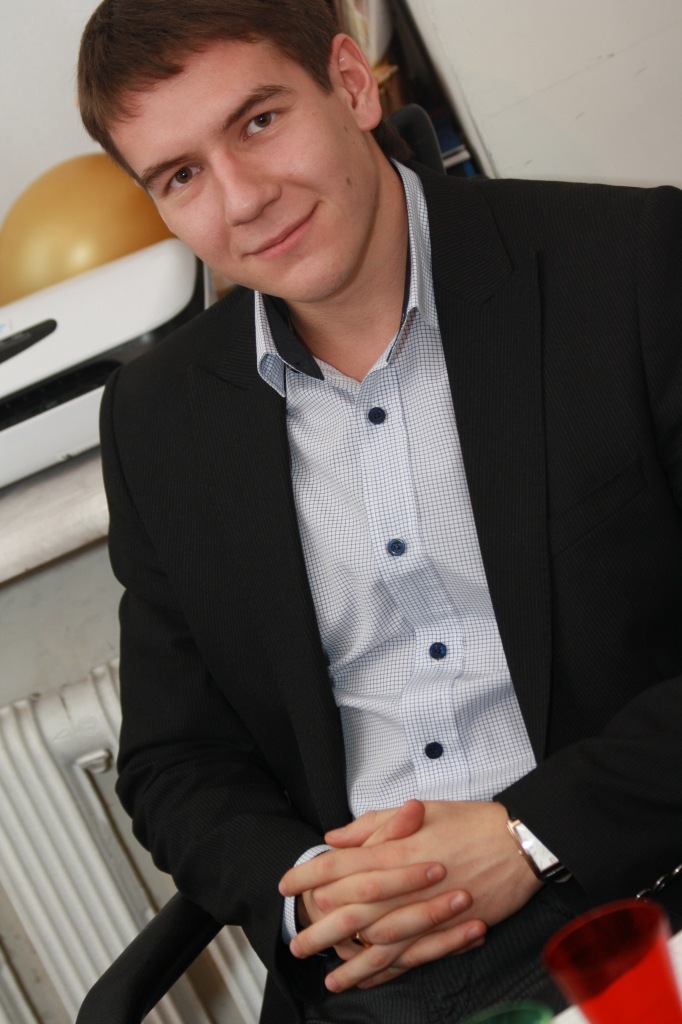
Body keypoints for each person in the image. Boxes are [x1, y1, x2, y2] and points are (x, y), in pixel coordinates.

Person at [77, 1, 682, 1021]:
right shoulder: (158, 419)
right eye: (180, 176)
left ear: (352, 85)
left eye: (258, 121)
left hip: (635, 880)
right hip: (371, 970)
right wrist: (313, 890)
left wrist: (527, 835)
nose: (243, 199)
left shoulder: (627, 267)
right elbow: (176, 759)